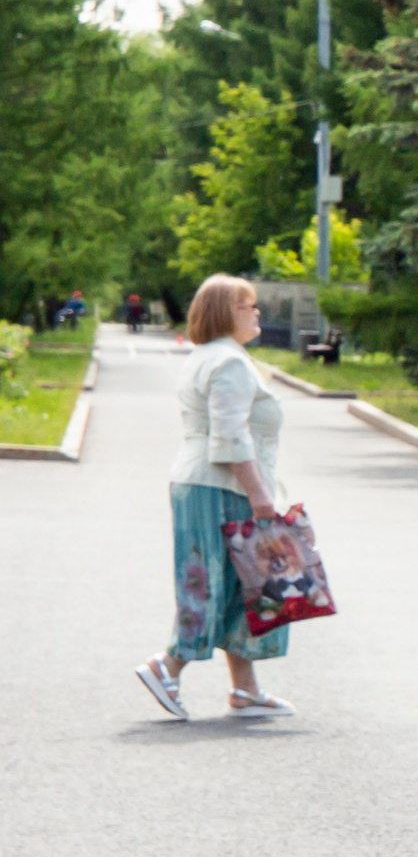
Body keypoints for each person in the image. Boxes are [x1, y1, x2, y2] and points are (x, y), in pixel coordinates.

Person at [133, 276, 295, 721]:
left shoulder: (210, 356)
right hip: (222, 488)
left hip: (208, 485)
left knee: (244, 588)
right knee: (211, 583)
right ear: (225, 312)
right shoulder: (229, 362)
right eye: (248, 305)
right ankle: (166, 666)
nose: (257, 312)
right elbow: (229, 436)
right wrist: (260, 495)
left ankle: (245, 689)